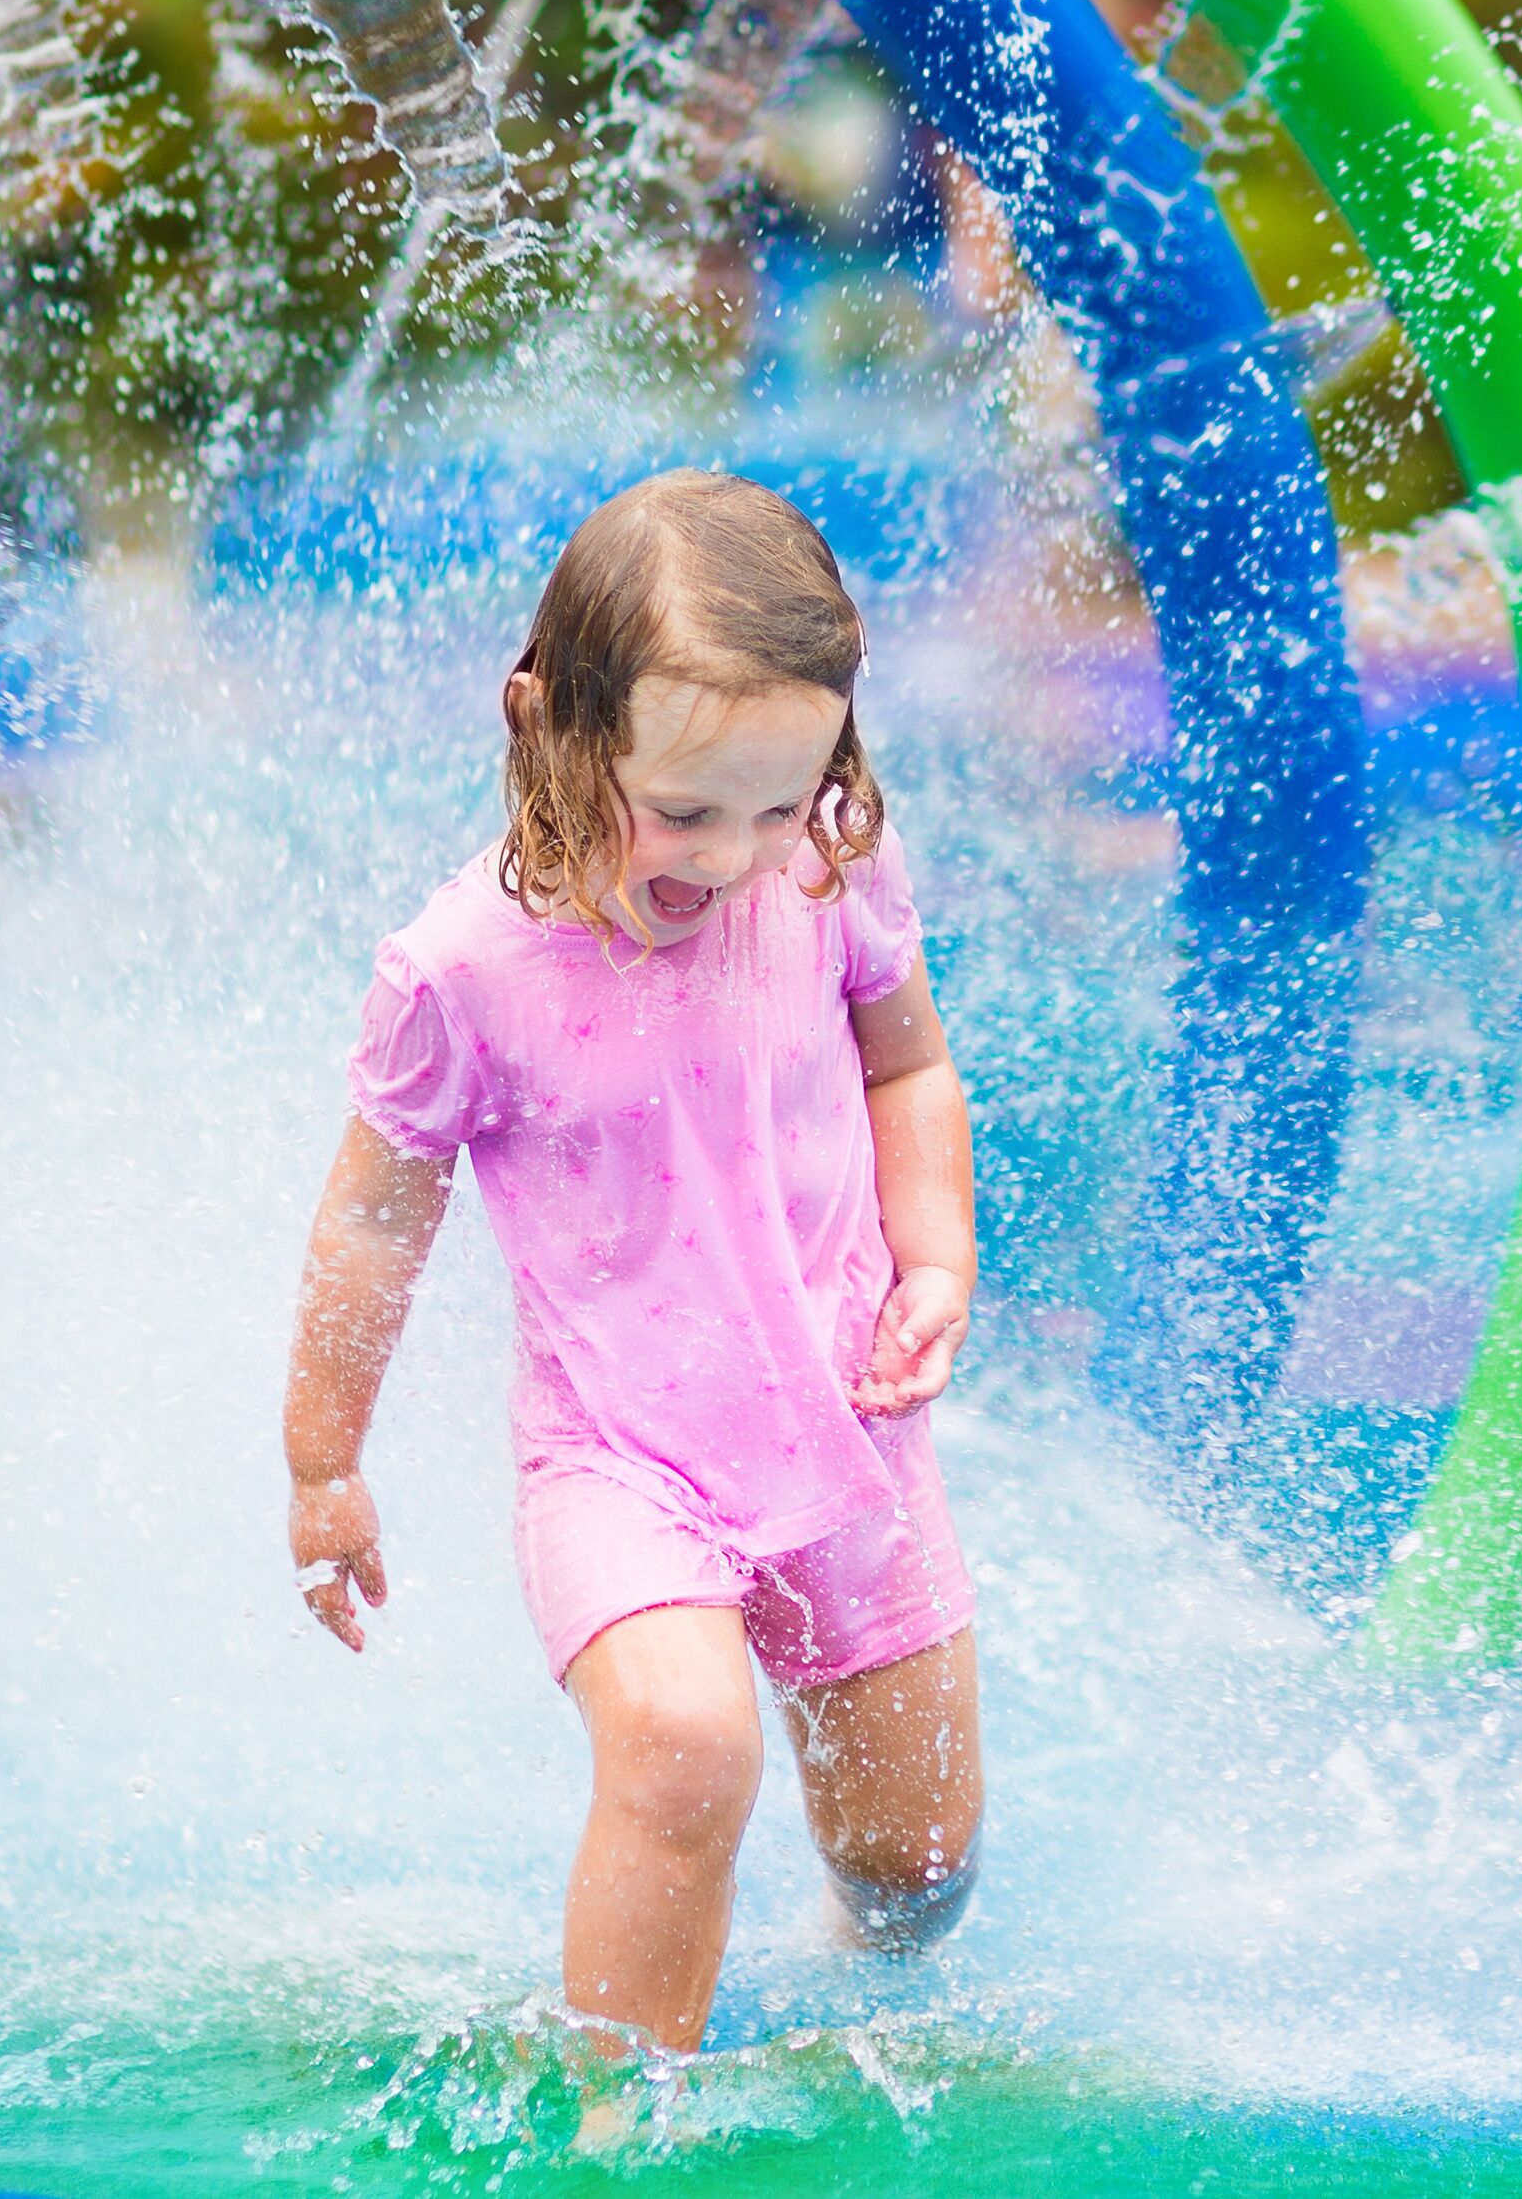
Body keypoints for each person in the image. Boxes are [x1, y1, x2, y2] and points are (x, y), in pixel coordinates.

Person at [280, 468, 983, 2057]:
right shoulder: (458, 968)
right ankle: (618, 2122)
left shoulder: (832, 861)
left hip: (848, 1417)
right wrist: (324, 1462)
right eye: (683, 809)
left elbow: (906, 1062)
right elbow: (373, 1224)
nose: (733, 856)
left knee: (914, 1866)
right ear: (547, 723)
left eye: (778, 801)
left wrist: (935, 1252)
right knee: (681, 1743)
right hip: (621, 1453)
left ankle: (839, 1985)